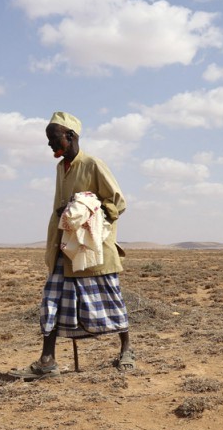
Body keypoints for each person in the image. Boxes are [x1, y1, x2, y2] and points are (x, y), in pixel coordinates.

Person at [10, 111, 134, 380]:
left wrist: (88, 210)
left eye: (53, 139)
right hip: (62, 246)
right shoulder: (60, 168)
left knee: (110, 297)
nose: (50, 145)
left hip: (92, 248)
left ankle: (126, 350)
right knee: (51, 301)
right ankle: (47, 361)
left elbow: (118, 202)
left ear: (71, 136)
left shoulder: (92, 164)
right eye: (48, 140)